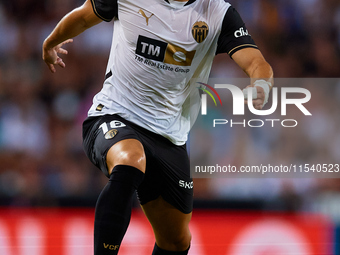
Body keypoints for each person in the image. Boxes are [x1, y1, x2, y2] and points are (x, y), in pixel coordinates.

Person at [42, 0, 273, 254]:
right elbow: (85, 16)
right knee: (130, 159)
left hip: (169, 137)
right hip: (114, 115)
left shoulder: (217, 13)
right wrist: (51, 42)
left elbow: (256, 62)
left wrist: (260, 83)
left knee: (175, 241)